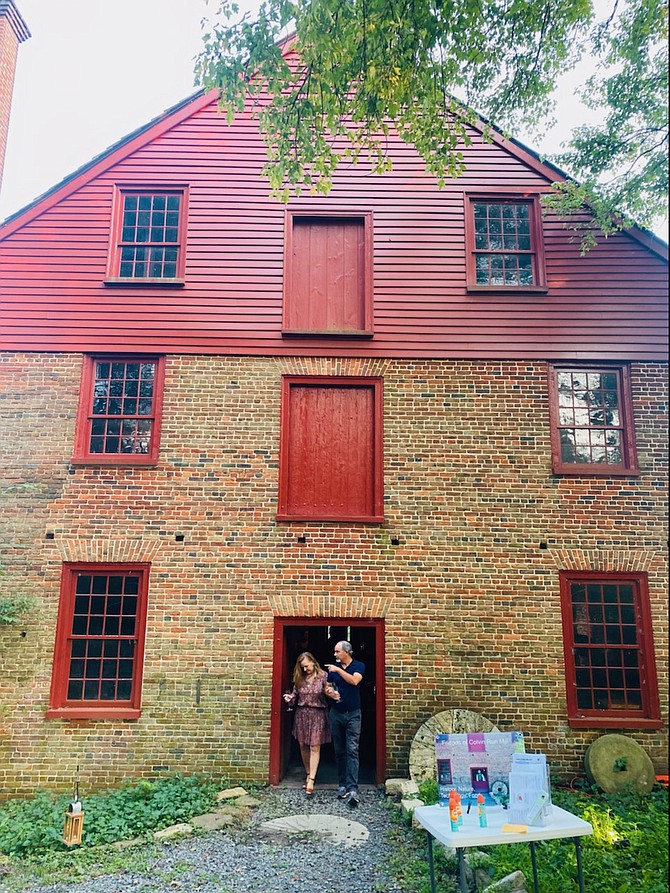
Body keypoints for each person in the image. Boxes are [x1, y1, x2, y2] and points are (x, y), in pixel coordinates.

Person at [283, 651, 331, 795]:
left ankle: (311, 780)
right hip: (302, 714)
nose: (305, 669)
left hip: (318, 714)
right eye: (302, 667)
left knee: (315, 746)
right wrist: (289, 698)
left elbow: (329, 692)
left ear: (313, 662)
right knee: (303, 745)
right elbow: (295, 696)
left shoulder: (324, 676)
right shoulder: (300, 678)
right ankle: (308, 772)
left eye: (306, 666)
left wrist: (331, 693)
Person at [325, 640, 365, 807]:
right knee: (339, 750)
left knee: (352, 749)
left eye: (337, 652)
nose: (335, 655)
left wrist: (338, 670)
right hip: (336, 713)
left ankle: (353, 787)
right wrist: (330, 693)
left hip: (353, 714)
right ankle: (342, 785)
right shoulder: (333, 669)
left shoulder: (358, 666)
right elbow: (327, 687)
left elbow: (354, 681)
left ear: (346, 652)